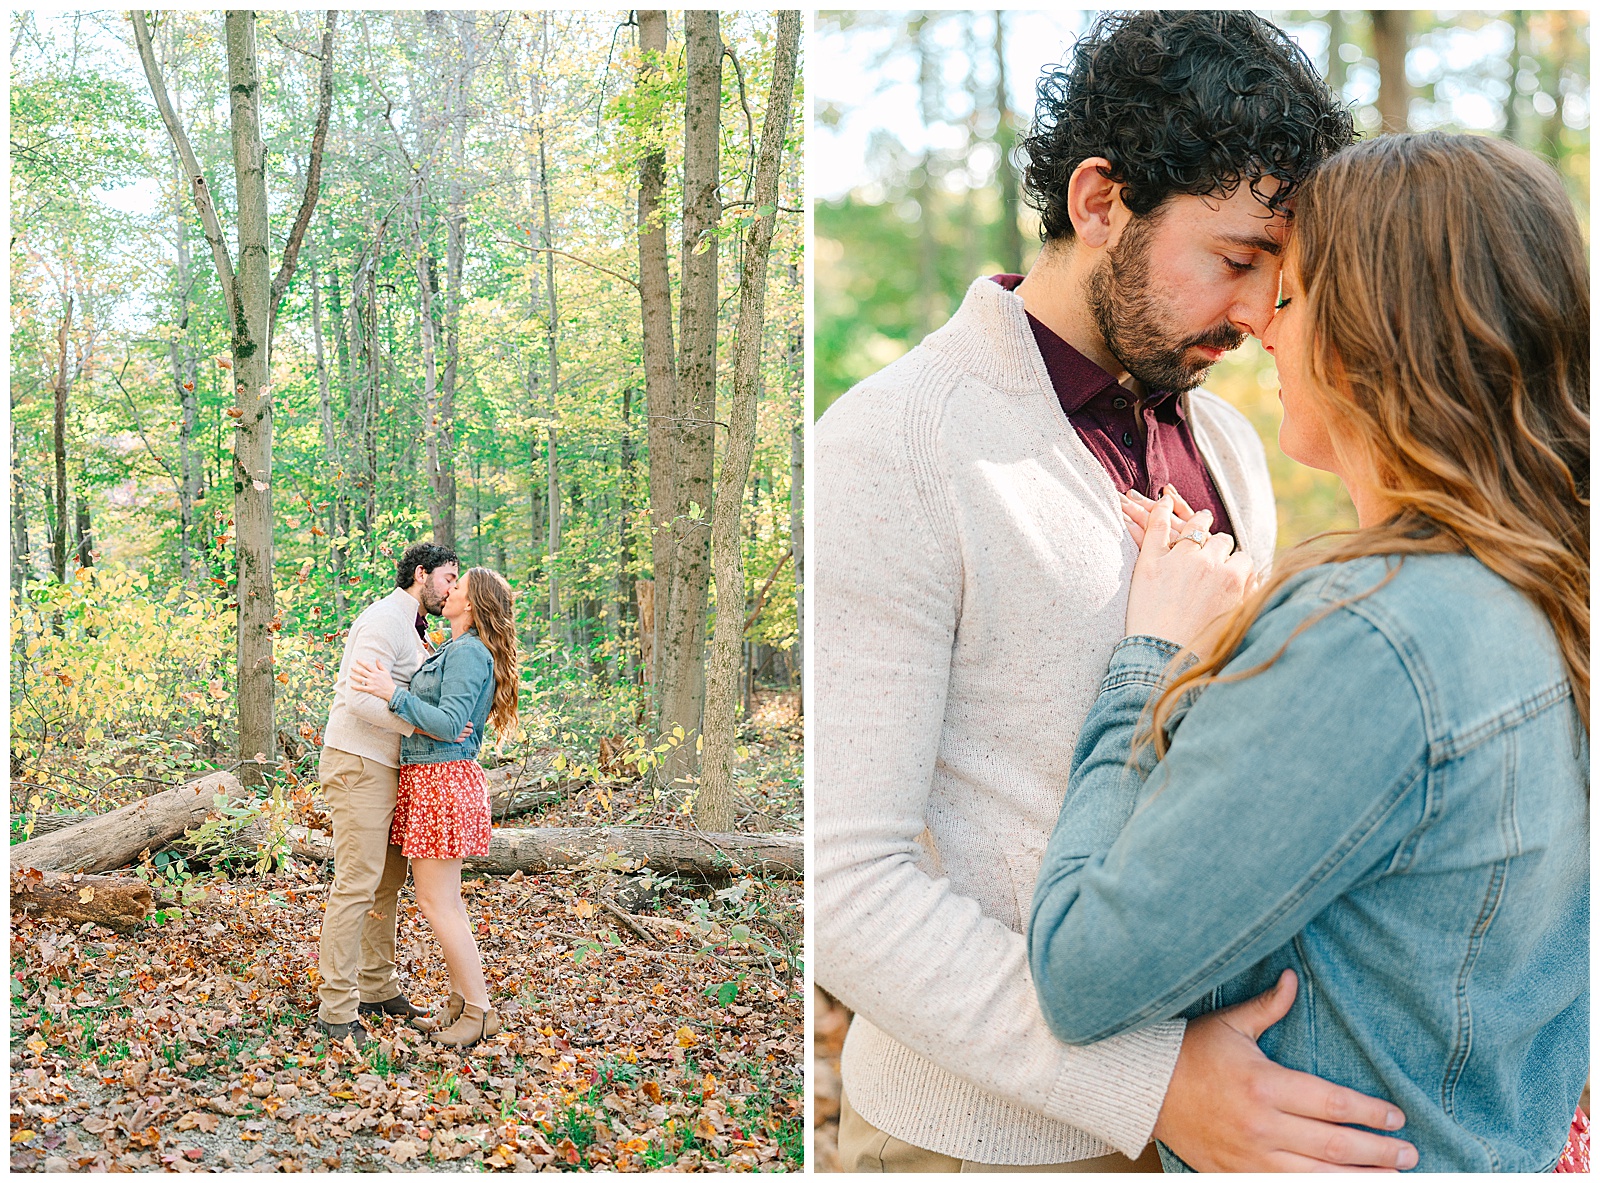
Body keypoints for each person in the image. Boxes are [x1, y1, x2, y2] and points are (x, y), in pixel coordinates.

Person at [815, 9, 1424, 1172]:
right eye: (1237, 259)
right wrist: (1147, 1088)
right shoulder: (893, 443)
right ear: (1100, 203)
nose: (1255, 316)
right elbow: (849, 885)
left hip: (1237, 1120)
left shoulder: (1237, 446)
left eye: (1276, 278)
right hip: (986, 1144)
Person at [1028, 132, 1588, 1171]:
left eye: (1284, 293)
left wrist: (1150, 653)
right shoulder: (1548, 582)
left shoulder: (1371, 638)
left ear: (1372, 333)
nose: (1261, 330)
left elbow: (1079, 969)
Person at [348, 567, 521, 1049]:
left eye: (458, 588)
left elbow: (448, 724)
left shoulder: (468, 653)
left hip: (442, 783)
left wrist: (392, 694)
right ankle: (461, 1002)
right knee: (444, 902)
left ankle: (480, 1012)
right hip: (431, 780)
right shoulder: (454, 648)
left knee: (436, 903)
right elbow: (449, 719)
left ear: (473, 603)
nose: (448, 592)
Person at [315, 541, 458, 1046]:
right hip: (358, 764)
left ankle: (378, 988)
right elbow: (357, 698)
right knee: (356, 883)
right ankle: (336, 1010)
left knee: (387, 883)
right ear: (421, 575)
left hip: (394, 768)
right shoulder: (382, 620)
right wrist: (419, 729)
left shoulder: (417, 631)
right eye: (447, 578)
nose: (452, 588)